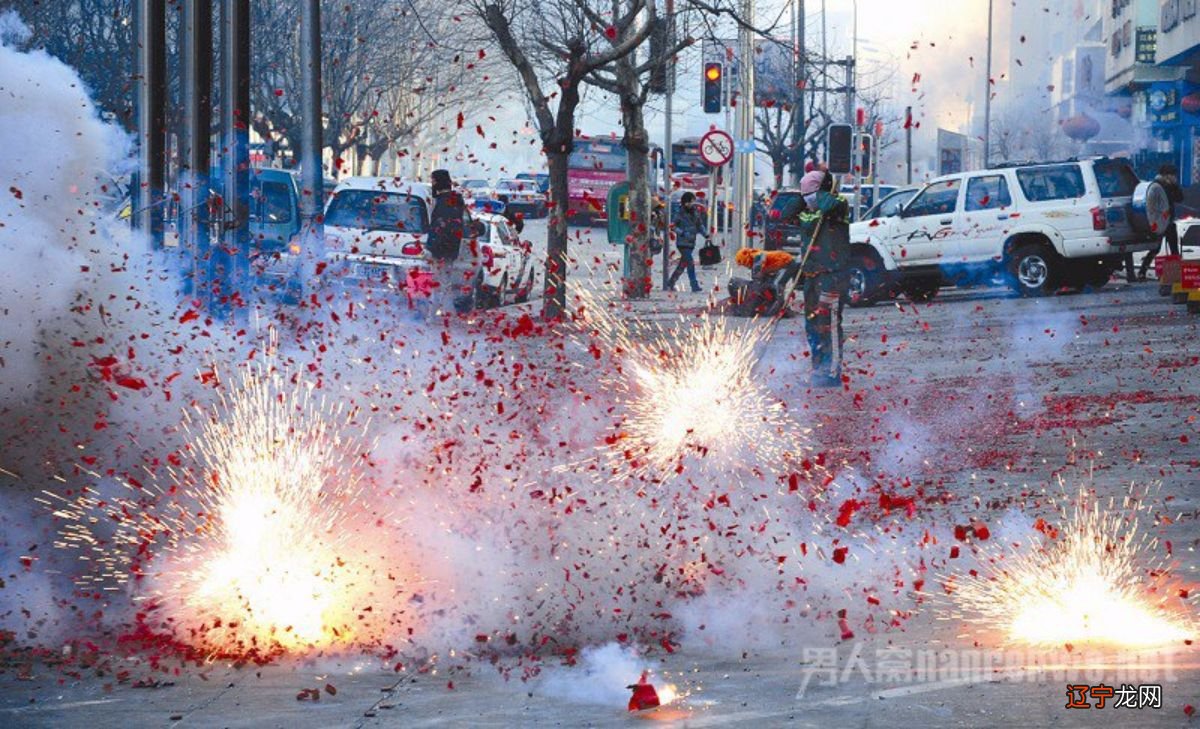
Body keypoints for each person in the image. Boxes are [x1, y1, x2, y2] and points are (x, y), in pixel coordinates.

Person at [795, 170, 851, 388]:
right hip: (811, 276)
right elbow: (784, 212)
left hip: (832, 276)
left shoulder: (838, 205)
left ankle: (832, 371)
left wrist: (820, 193)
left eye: (812, 194)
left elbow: (827, 205)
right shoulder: (806, 212)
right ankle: (817, 367)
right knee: (813, 324)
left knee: (829, 325)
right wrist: (802, 198)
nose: (809, 200)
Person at [1138, 164, 1185, 281]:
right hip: (1159, 222)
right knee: (1155, 248)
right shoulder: (1156, 186)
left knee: (1174, 249)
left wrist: (1175, 187)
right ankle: (1142, 271)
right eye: (1173, 176)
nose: (1175, 178)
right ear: (1167, 176)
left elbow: (1179, 198)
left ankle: (1175, 275)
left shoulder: (1170, 186)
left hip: (1169, 222)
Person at [427, 169, 465, 313]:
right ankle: (444, 311)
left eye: (434, 180)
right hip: (450, 248)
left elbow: (440, 226)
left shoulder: (444, 202)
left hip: (440, 249)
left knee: (439, 283)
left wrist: (431, 248)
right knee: (444, 282)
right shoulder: (456, 200)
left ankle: (437, 312)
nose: (432, 183)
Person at [667, 192, 709, 292]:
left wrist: (706, 234)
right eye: (691, 201)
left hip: (691, 242)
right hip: (682, 243)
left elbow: (700, 225)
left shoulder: (695, 212)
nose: (692, 203)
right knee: (690, 262)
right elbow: (673, 226)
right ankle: (694, 285)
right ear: (685, 202)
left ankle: (671, 282)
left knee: (683, 264)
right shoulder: (679, 213)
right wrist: (682, 233)